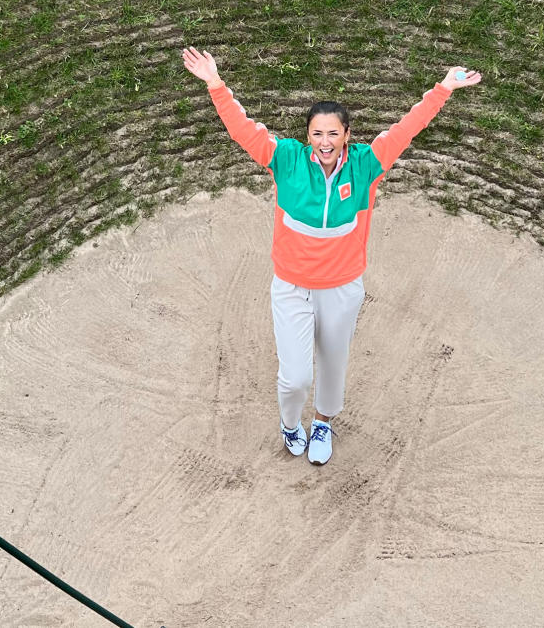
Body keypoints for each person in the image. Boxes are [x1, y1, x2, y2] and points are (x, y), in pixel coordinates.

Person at [182, 46, 482, 465]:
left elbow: (407, 128)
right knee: (295, 378)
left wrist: (444, 88)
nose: (325, 142)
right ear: (308, 136)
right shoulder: (285, 159)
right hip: (291, 287)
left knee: (333, 365)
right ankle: (291, 424)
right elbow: (243, 130)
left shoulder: (366, 164)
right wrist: (216, 83)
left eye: (333, 134)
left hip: (342, 288)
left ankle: (323, 422)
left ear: (346, 135)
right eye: (317, 134)